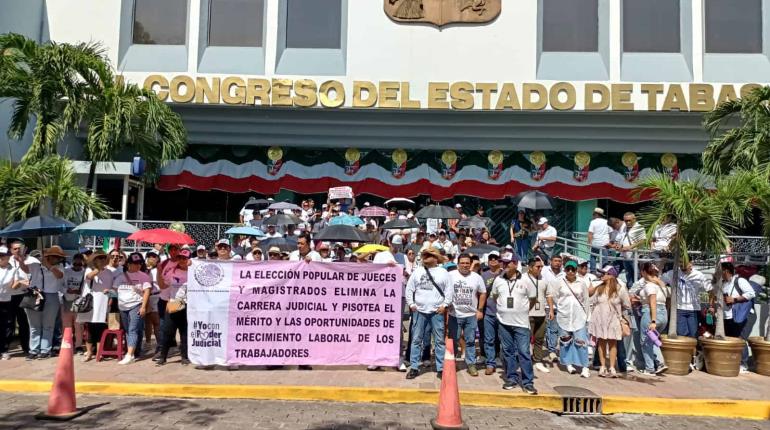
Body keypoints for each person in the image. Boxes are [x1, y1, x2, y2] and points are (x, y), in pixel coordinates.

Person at [490, 254, 538, 393]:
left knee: (523, 352)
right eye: (502, 263)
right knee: (508, 352)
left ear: (516, 264)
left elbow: (533, 299)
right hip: (504, 322)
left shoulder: (527, 280)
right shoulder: (498, 279)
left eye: (507, 263)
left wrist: (522, 311)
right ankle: (511, 378)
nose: (504, 265)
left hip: (521, 324)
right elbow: (494, 296)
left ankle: (528, 382)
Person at [405, 247, 453, 380]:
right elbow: (409, 288)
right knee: (416, 340)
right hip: (420, 311)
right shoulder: (417, 271)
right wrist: (411, 304)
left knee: (439, 341)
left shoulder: (443, 272)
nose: (425, 257)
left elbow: (449, 290)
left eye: (428, 255)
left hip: (437, 311)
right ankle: (414, 367)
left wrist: (444, 305)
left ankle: (441, 368)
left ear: (435, 258)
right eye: (424, 255)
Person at [547, 260, 590, 377]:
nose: (570, 272)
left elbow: (586, 299)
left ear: (576, 270)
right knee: (565, 340)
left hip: (579, 316)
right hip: (564, 315)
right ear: (565, 270)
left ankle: (585, 366)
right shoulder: (559, 282)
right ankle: (568, 363)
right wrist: (559, 307)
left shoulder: (582, 283)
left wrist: (587, 316)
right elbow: (553, 295)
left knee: (581, 341)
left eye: (573, 269)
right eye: (568, 269)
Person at [23, 246, 65, 360]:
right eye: (55, 257)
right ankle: (33, 350)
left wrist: (49, 266)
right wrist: (21, 257)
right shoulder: (36, 265)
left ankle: (45, 350)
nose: (58, 259)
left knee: (48, 325)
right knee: (34, 325)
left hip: (51, 295)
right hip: (35, 294)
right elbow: (25, 269)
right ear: (48, 256)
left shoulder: (60, 267)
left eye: (59, 257)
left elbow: (59, 276)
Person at [448, 253, 487, 376]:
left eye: (467, 263)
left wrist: (480, 310)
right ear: (458, 264)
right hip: (454, 314)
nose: (465, 265)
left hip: (471, 315)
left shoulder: (476, 277)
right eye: (462, 263)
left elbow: (483, 293)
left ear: (470, 264)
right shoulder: (450, 275)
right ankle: (451, 363)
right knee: (453, 340)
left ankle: (471, 364)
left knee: (470, 341)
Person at [589, 266, 630, 378]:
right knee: (601, 342)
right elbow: (591, 300)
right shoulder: (599, 288)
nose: (602, 275)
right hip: (600, 318)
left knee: (613, 343)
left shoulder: (620, 289)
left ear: (612, 275)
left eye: (605, 273)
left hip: (614, 319)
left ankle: (612, 367)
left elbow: (627, 304)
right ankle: (602, 366)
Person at [630, 262, 669, 375]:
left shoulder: (649, 286)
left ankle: (650, 368)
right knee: (652, 339)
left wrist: (653, 320)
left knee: (645, 341)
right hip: (663, 313)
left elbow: (652, 302)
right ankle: (660, 363)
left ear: (644, 272)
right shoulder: (661, 285)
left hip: (650, 313)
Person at [113, 252, 152, 365]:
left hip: (136, 305)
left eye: (140, 263)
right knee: (128, 330)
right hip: (123, 306)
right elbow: (115, 289)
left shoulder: (144, 276)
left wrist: (143, 306)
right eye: (135, 263)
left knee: (132, 329)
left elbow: (147, 292)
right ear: (129, 264)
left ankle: (129, 355)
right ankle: (135, 351)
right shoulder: (121, 276)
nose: (138, 265)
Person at [157, 249, 192, 366]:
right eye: (180, 257)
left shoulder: (194, 272)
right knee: (168, 331)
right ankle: (163, 356)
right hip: (173, 303)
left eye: (185, 258)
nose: (182, 260)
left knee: (185, 332)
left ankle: (184, 357)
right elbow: (162, 285)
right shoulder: (172, 271)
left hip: (188, 305)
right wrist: (159, 272)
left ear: (189, 260)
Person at [720, 262, 755, 374]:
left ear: (726, 271)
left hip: (743, 315)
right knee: (732, 339)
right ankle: (733, 362)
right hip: (729, 316)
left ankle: (743, 364)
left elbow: (751, 293)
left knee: (740, 339)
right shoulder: (724, 283)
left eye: (720, 271)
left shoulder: (739, 281)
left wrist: (734, 299)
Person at [80, 250, 113, 362]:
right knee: (90, 328)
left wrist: (110, 294)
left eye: (103, 258)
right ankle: (89, 352)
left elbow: (112, 286)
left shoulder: (109, 272)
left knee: (101, 328)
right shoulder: (89, 270)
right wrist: (98, 269)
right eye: (99, 258)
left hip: (104, 301)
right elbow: (89, 277)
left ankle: (99, 353)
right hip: (92, 301)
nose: (101, 260)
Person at [662, 262, 710, 339]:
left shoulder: (699, 275)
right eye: (681, 265)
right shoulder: (674, 273)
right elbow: (661, 280)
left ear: (691, 264)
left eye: (685, 265)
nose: (682, 267)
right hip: (679, 308)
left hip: (694, 309)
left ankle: (693, 350)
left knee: (694, 334)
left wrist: (707, 306)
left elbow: (707, 290)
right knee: (681, 334)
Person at [0, 246, 29, 360]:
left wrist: (20, 282)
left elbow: (13, 286)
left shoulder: (12, 269)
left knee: (6, 326)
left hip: (6, 301)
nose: (2, 258)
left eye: (3, 256)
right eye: (0, 256)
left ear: (8, 257)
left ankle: (4, 350)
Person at [522, 257, 550, 373]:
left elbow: (548, 294)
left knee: (539, 338)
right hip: (528, 313)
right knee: (526, 339)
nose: (540, 269)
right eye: (538, 267)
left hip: (541, 313)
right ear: (530, 267)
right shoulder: (523, 279)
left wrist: (551, 310)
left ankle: (537, 360)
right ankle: (525, 360)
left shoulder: (543, 279)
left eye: (541, 267)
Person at [8, 240, 34, 356]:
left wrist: (24, 282)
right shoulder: (6, 261)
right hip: (9, 296)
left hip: (24, 295)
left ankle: (26, 347)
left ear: (24, 249)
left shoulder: (30, 261)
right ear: (11, 250)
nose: (18, 250)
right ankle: (6, 347)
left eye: (20, 248)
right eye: (15, 249)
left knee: (24, 322)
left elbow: (32, 277)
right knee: (9, 322)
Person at [481, 251, 503, 374]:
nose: (493, 260)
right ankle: (490, 363)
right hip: (488, 311)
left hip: (503, 312)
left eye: (496, 259)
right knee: (489, 338)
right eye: (491, 259)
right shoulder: (483, 275)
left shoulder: (504, 274)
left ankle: (499, 357)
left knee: (502, 338)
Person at [61, 253, 86, 354]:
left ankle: (79, 345)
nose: (77, 266)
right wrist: (67, 290)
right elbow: (60, 285)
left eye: (79, 264)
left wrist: (80, 292)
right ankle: (67, 343)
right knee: (66, 325)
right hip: (67, 300)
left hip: (79, 301)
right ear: (72, 262)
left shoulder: (84, 273)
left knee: (78, 325)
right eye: (75, 264)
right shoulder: (66, 271)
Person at [541, 255, 564, 362]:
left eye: (559, 261)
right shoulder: (544, 271)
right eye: (555, 260)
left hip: (561, 305)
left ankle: (552, 349)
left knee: (556, 329)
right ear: (551, 261)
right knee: (548, 328)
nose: (557, 263)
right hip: (545, 304)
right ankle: (550, 349)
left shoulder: (564, 274)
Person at [617, 212, 645, 286]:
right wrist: (619, 245)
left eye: (629, 220)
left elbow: (642, 241)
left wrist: (630, 247)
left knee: (637, 274)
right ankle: (630, 288)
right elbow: (622, 238)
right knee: (628, 273)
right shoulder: (624, 227)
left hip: (634, 255)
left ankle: (637, 290)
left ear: (634, 219)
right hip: (625, 255)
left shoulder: (639, 227)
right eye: (626, 221)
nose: (628, 222)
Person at [144, 251, 162, 352]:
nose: (151, 258)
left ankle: (159, 343)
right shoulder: (144, 269)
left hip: (156, 296)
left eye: (154, 257)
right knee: (147, 322)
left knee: (156, 321)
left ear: (157, 259)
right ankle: (147, 342)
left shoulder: (159, 269)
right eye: (149, 257)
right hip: (146, 297)